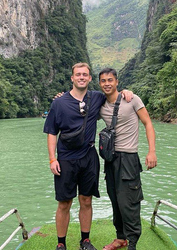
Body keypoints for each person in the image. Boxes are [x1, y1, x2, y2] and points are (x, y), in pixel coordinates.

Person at [44, 63, 132, 250]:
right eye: (78, 74)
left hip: (89, 157)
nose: (81, 77)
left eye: (85, 74)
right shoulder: (59, 103)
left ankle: (85, 240)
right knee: (64, 202)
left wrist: (126, 91)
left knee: (86, 200)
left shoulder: (97, 97)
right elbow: (52, 132)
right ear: (72, 78)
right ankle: (61, 243)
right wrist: (53, 159)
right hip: (65, 158)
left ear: (90, 78)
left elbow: (112, 94)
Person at [97, 68, 157, 250]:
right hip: (110, 160)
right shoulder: (100, 104)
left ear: (117, 82)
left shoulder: (131, 99)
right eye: (103, 81)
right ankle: (120, 237)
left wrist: (151, 151)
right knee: (115, 200)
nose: (107, 83)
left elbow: (147, 123)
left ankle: (133, 243)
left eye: (110, 80)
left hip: (129, 158)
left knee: (129, 202)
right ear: (99, 84)